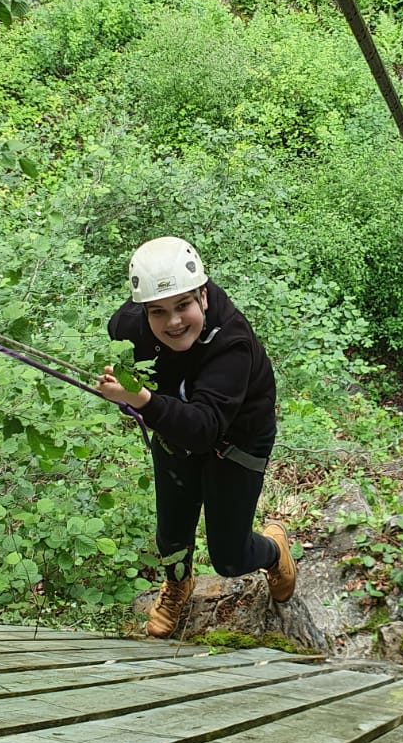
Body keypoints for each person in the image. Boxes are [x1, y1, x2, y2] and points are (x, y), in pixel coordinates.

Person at [97, 237, 295, 639]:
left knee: (230, 557)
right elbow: (122, 351)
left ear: (202, 296)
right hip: (175, 429)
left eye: (182, 306)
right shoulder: (131, 326)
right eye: (158, 312)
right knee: (172, 529)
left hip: (237, 439)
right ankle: (177, 583)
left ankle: (275, 550)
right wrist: (126, 391)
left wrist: (143, 400)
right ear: (144, 311)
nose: (172, 322)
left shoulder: (231, 342)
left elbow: (206, 428)